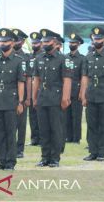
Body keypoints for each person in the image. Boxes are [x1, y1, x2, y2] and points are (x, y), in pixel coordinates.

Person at [32, 29, 72, 167]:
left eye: (47, 41)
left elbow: (67, 80)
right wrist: (34, 97)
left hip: (56, 98)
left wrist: (65, 98)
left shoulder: (63, 59)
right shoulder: (39, 58)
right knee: (44, 129)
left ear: (55, 43)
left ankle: (55, 158)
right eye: (43, 42)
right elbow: (36, 79)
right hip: (42, 98)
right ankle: (45, 157)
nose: (44, 44)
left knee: (56, 129)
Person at [0, 28, 25, 170]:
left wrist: (20, 102)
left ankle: (10, 162)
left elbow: (20, 83)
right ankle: (0, 162)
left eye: (6, 41)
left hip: (11, 102)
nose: (3, 43)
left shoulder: (18, 61)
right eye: (1, 41)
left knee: (10, 133)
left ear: (12, 42)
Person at [81, 27, 104, 162]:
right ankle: (93, 151)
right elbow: (85, 78)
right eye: (95, 39)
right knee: (91, 124)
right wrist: (83, 95)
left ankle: (102, 152)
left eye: (99, 39)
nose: (96, 41)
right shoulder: (88, 57)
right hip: (91, 94)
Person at [12, 28, 31, 159]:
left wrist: (28, 97)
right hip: (8, 94)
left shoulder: (26, 58)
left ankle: (20, 148)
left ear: (23, 41)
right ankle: (10, 146)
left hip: (22, 94)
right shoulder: (5, 56)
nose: (15, 42)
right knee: (9, 123)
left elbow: (29, 79)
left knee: (21, 123)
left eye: (18, 40)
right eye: (13, 39)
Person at [65, 33, 85, 144]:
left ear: (78, 44)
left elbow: (83, 77)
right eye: (70, 42)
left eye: (73, 43)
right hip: (66, 91)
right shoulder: (65, 57)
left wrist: (82, 92)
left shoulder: (82, 59)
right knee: (66, 115)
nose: (71, 44)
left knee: (76, 115)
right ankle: (68, 136)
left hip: (76, 90)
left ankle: (76, 138)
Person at [26, 32, 43, 146]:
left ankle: (42, 138)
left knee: (41, 116)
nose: (34, 45)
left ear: (41, 43)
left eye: (36, 43)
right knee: (32, 115)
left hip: (41, 88)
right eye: (33, 43)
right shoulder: (30, 57)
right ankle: (34, 138)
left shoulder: (43, 56)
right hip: (31, 88)